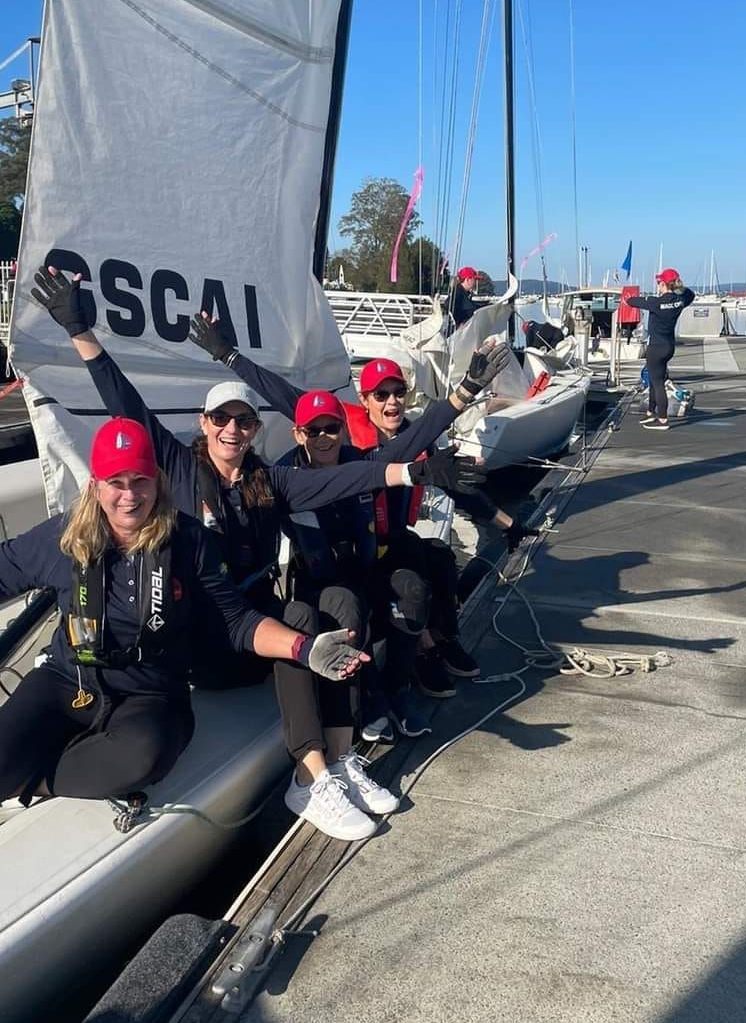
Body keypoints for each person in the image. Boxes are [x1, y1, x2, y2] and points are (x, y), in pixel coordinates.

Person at [0, 416, 372, 912]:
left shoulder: (189, 543)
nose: (129, 496)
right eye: (116, 482)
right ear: (96, 486)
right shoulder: (64, 542)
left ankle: (28, 780)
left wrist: (307, 648)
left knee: (144, 760)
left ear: (156, 483)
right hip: (67, 681)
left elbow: (237, 622)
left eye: (140, 481)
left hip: (150, 694)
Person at [32, 266, 502, 830]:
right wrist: (82, 333)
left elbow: (354, 477)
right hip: (206, 638)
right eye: (222, 419)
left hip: (254, 622)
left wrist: (420, 469)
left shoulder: (269, 481)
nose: (233, 429)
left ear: (256, 429)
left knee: (327, 612)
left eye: (244, 420)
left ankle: (330, 764)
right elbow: (126, 406)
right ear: (204, 425)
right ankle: (314, 774)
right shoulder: (179, 470)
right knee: (306, 619)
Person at [185, 312, 527, 738]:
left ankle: (402, 684)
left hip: (368, 567)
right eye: (314, 430)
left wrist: (466, 392)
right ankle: (366, 701)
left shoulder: (359, 464)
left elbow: (415, 439)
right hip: (322, 582)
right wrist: (228, 356)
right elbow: (275, 396)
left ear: (344, 430)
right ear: (298, 434)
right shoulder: (284, 481)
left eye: (332, 428)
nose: (325, 437)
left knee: (416, 584)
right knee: (347, 607)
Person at [637, 268, 696, 430]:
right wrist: (680, 287)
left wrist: (626, 297)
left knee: (657, 383)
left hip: (655, 347)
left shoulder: (656, 303)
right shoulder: (680, 301)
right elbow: (690, 294)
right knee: (657, 380)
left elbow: (632, 301)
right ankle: (651, 413)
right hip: (668, 347)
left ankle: (662, 419)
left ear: (663, 284)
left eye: (658, 282)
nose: (657, 284)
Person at [448, 266, 490, 330]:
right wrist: (458, 323)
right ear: (468, 280)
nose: (476, 282)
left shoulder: (464, 293)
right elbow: (448, 305)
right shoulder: (458, 293)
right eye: (475, 279)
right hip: (460, 333)